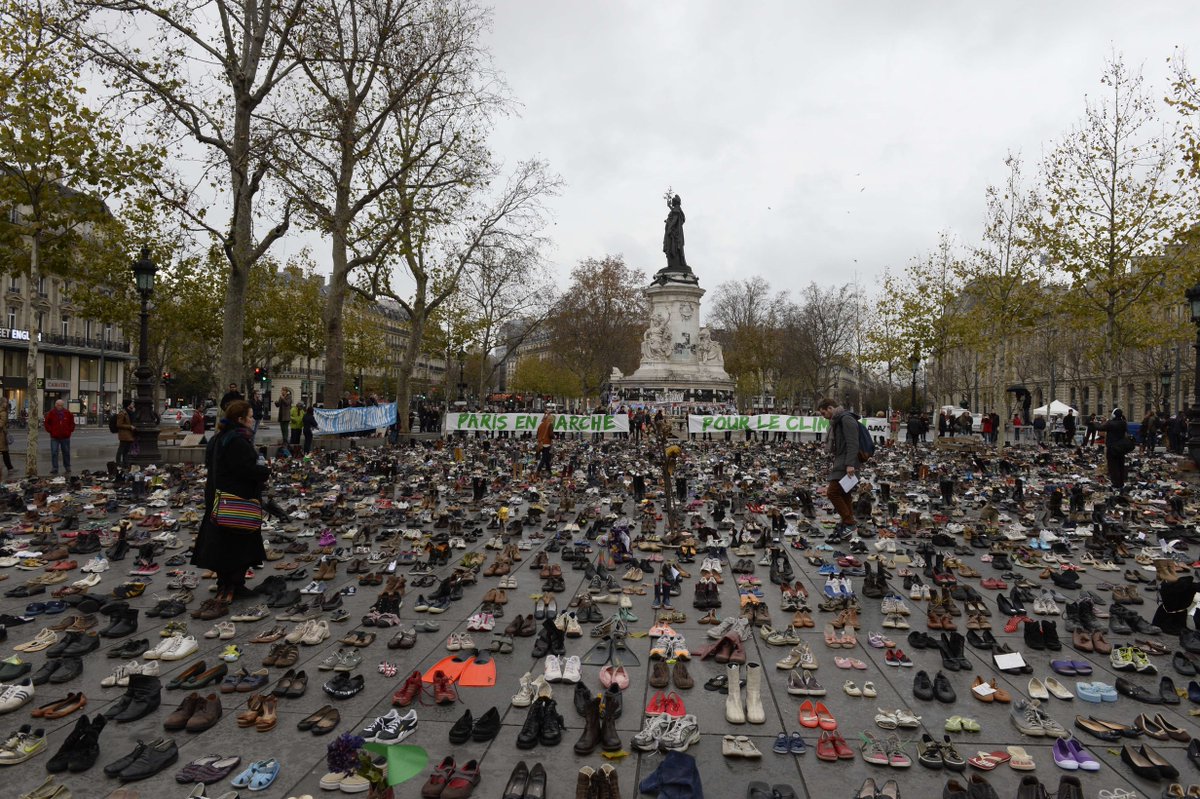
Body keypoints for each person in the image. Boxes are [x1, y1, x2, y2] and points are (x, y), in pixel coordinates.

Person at [191, 399, 269, 603]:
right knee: (239, 542)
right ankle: (235, 584)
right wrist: (264, 470)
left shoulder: (219, 438)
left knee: (221, 544)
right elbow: (245, 470)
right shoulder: (238, 441)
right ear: (240, 419)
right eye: (250, 416)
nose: (253, 420)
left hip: (217, 498)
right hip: (237, 500)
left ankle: (224, 583)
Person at [818, 398, 860, 535]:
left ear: (830, 408)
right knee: (845, 493)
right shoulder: (838, 420)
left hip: (846, 462)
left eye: (824, 413)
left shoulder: (845, 419)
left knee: (833, 492)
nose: (824, 417)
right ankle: (847, 521)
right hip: (842, 460)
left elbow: (853, 443)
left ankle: (849, 522)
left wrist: (850, 464)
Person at [1100, 408, 1130, 494]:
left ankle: (1116, 484)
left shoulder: (1110, 423)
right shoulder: (1123, 423)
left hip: (1112, 447)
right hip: (1121, 448)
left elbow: (1101, 428)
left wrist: (1092, 423)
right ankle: (1121, 483)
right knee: (1120, 465)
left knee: (1113, 466)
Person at [44, 399, 75, 474]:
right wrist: (51, 431)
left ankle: (67, 466)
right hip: (55, 436)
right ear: (55, 405)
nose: (59, 407)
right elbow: (46, 423)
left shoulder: (67, 413)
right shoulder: (51, 413)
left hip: (65, 436)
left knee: (66, 452)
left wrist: (69, 431)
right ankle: (55, 468)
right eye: (58, 405)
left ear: (63, 405)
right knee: (54, 452)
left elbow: (72, 423)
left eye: (61, 405)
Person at [115, 401, 135, 468]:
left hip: (129, 434)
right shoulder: (122, 413)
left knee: (126, 450)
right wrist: (129, 427)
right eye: (131, 404)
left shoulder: (130, 412)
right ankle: (118, 463)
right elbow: (119, 424)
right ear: (128, 405)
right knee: (121, 450)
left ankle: (125, 464)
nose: (133, 405)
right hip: (124, 435)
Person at [535, 411, 554, 476]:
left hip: (541, 443)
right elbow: (551, 434)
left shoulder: (540, 425)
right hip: (547, 443)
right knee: (544, 458)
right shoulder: (550, 425)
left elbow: (537, 434)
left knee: (546, 458)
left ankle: (549, 470)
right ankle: (538, 471)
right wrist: (554, 436)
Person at [0, 388, 11, 482]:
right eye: (5, 402)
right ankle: (10, 468)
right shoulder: (3, 412)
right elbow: (2, 423)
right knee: (5, 452)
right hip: (1, 435)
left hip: (2, 435)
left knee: (5, 452)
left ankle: (10, 467)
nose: (6, 403)